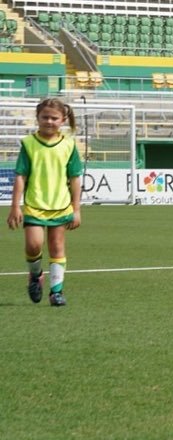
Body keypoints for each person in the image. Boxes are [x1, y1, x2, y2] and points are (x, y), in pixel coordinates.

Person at [6, 98, 82, 306]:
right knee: (33, 245)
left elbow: (75, 178)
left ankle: (56, 292)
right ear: (37, 118)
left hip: (60, 205)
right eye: (45, 117)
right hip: (34, 205)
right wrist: (15, 206)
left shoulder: (68, 145)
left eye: (54, 118)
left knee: (57, 247)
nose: (49, 121)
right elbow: (20, 175)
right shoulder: (29, 144)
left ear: (63, 120)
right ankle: (35, 274)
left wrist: (76, 209)